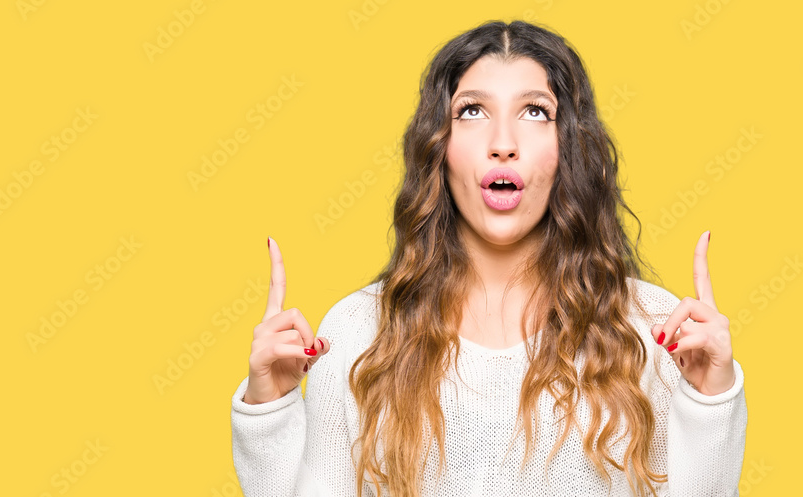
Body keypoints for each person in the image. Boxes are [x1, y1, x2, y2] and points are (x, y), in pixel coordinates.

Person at [229, 19, 747, 497]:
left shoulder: (651, 330)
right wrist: (270, 413)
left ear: (569, 148)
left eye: (535, 111)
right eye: (472, 111)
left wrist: (710, 400)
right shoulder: (360, 332)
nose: (503, 143)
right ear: (439, 147)